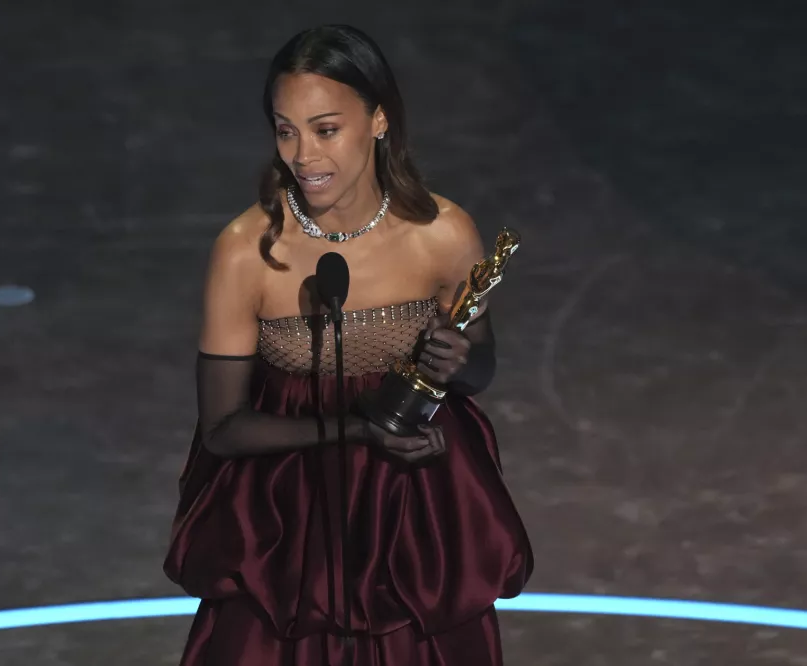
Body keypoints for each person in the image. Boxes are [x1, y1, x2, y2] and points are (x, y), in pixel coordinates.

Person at [164, 24, 533, 666]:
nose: (303, 156)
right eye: (286, 131)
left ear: (379, 120)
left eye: (326, 129)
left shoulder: (443, 234)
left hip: (411, 522)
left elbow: (480, 368)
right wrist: (358, 432)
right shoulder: (247, 251)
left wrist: (461, 362)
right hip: (286, 529)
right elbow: (222, 429)